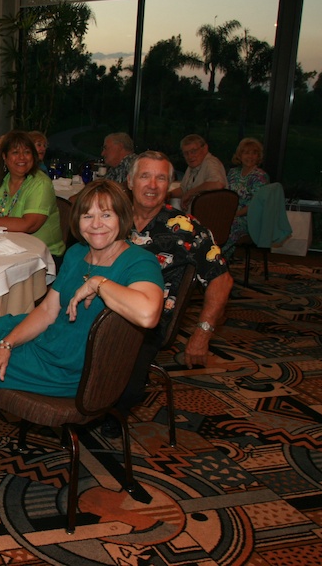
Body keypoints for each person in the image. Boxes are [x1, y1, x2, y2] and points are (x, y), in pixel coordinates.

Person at [0, 180, 164, 464]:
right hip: (56, 338)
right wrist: (7, 343)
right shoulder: (76, 254)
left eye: (106, 215)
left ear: (122, 218)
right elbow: (48, 311)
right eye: (88, 216)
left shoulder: (139, 262)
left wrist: (99, 283)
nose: (96, 224)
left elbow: (148, 314)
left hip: (77, 366)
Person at [101, 151, 234, 437]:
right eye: (145, 176)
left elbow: (221, 280)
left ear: (170, 186)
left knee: (118, 373)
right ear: (129, 181)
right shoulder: (110, 219)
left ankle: (108, 406)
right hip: (98, 304)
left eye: (161, 178)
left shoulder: (186, 228)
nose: (152, 185)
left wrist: (203, 332)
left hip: (145, 322)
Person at [0, 130, 65, 263]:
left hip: (42, 257)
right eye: (15, 152)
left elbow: (27, 225)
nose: (22, 157)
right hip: (4, 251)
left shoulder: (40, 183)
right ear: (4, 157)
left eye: (27, 152)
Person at [222, 138, 270, 259]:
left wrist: (235, 214)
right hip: (230, 214)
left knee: (227, 225)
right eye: (246, 153)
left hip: (249, 219)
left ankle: (215, 260)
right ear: (240, 155)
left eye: (254, 153)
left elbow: (256, 205)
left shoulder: (260, 177)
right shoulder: (232, 173)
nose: (250, 156)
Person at [170, 134, 226, 209]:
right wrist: (167, 195)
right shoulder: (192, 166)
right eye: (186, 153)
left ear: (205, 148)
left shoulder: (210, 163)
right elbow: (183, 190)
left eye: (193, 151)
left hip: (209, 216)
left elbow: (218, 184)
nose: (190, 156)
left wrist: (190, 193)